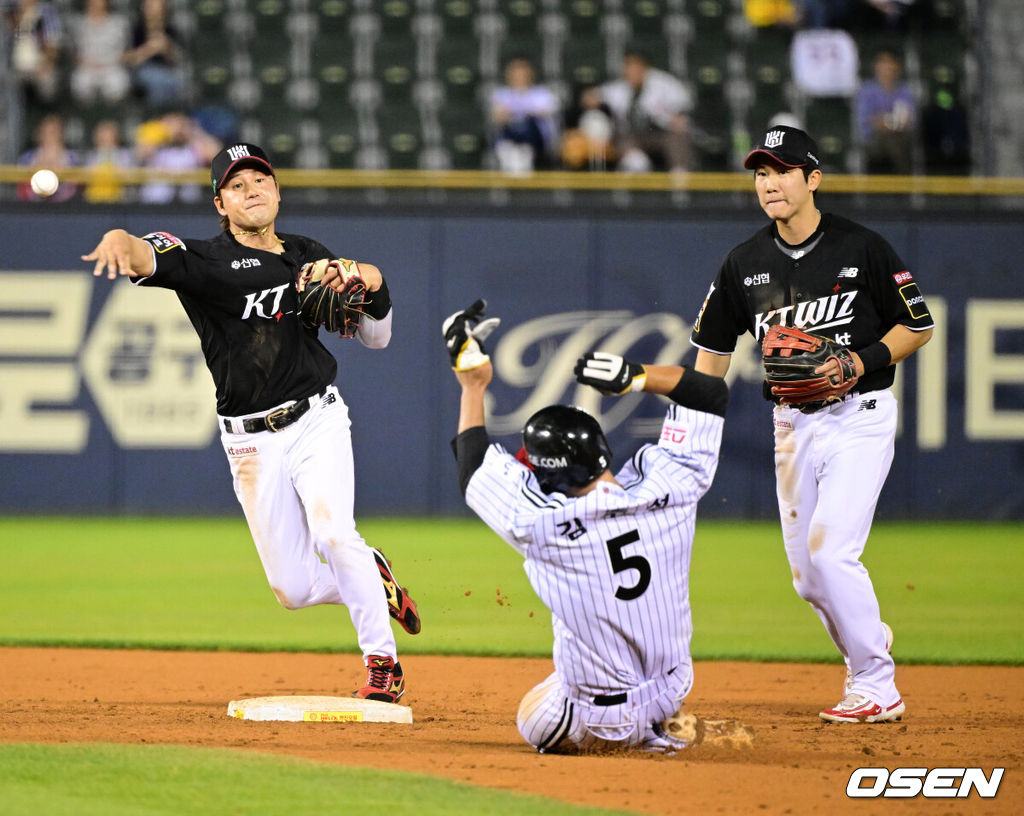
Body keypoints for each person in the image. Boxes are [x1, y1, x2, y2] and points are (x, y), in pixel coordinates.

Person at [81, 142, 421, 703]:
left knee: (336, 533)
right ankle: (370, 574)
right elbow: (145, 253)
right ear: (221, 203)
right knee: (293, 588)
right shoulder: (205, 262)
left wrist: (374, 281)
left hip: (317, 419)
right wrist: (120, 241)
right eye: (236, 185)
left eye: (260, 179)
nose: (252, 190)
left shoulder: (310, 254)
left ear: (279, 190)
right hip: (249, 443)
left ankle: (382, 664)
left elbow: (377, 338)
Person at [690, 125, 934, 723]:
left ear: (813, 179)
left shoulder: (862, 247)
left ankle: (876, 683)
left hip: (860, 417)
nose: (768, 184)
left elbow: (918, 324)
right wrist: (689, 434)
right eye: (760, 173)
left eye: (780, 171)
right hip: (791, 427)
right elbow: (711, 357)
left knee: (831, 556)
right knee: (808, 579)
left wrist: (860, 360)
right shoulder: (743, 263)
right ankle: (867, 639)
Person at [443, 301, 728, 752]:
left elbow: (472, 466)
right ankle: (660, 725)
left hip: (600, 721)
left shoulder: (541, 524)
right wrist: (636, 376)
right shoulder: (676, 484)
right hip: (674, 691)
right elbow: (709, 393)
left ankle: (630, 739)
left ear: (548, 475)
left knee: (532, 712)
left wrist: (473, 385)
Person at [581, 48, 692, 173]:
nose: (631, 70)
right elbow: (589, 97)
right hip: (630, 137)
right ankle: (636, 169)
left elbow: (684, 108)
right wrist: (592, 99)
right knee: (624, 142)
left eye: (635, 66)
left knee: (678, 135)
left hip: (660, 134)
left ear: (645, 67)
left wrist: (678, 117)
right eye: (628, 66)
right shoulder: (619, 88)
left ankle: (680, 175)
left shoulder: (665, 84)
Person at [488, 55, 559, 172]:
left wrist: (516, 112)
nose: (519, 75)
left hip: (535, 140)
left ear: (530, 73)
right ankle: (511, 153)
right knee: (514, 124)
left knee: (525, 121)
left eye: (522, 71)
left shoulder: (542, 94)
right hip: (508, 135)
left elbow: (545, 113)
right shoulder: (501, 94)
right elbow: (497, 117)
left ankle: (523, 153)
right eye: (515, 71)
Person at [855, 48, 917, 174]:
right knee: (889, 142)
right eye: (883, 63)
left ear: (897, 67)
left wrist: (895, 123)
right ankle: (897, 178)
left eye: (891, 63)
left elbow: (910, 119)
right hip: (873, 141)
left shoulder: (905, 91)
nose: (887, 68)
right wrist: (885, 123)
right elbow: (866, 120)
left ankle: (900, 183)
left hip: (901, 138)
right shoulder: (867, 91)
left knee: (897, 142)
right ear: (876, 67)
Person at [123, 0, 184, 109]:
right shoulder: (137, 31)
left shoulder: (170, 30)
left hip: (167, 71)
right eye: (150, 7)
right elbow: (128, 58)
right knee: (153, 79)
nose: (154, 11)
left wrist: (166, 48)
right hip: (141, 70)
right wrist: (150, 49)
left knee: (173, 81)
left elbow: (177, 60)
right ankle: (156, 113)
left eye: (158, 7)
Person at [69, 0, 131, 106]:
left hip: (112, 66)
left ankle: (111, 116)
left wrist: (112, 62)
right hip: (86, 66)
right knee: (80, 85)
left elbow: (126, 51)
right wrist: (82, 61)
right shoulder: (78, 23)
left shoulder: (119, 22)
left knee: (118, 85)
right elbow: (72, 52)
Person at [5, 0, 63, 105]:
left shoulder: (47, 12)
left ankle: (47, 116)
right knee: (6, 84)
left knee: (49, 85)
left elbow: (53, 44)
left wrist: (47, 64)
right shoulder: (13, 12)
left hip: (39, 66)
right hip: (15, 68)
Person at [17, 112, 79, 202]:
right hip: (32, 209)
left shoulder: (72, 158)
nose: (49, 135)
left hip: (65, 209)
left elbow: (76, 188)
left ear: (61, 134)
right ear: (39, 133)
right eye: (46, 131)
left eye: (53, 131)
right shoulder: (27, 158)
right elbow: (22, 190)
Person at [84, 119, 135, 203]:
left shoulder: (125, 155)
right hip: (93, 201)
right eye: (103, 135)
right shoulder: (91, 156)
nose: (107, 138)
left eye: (109, 135)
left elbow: (130, 177)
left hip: (118, 201)